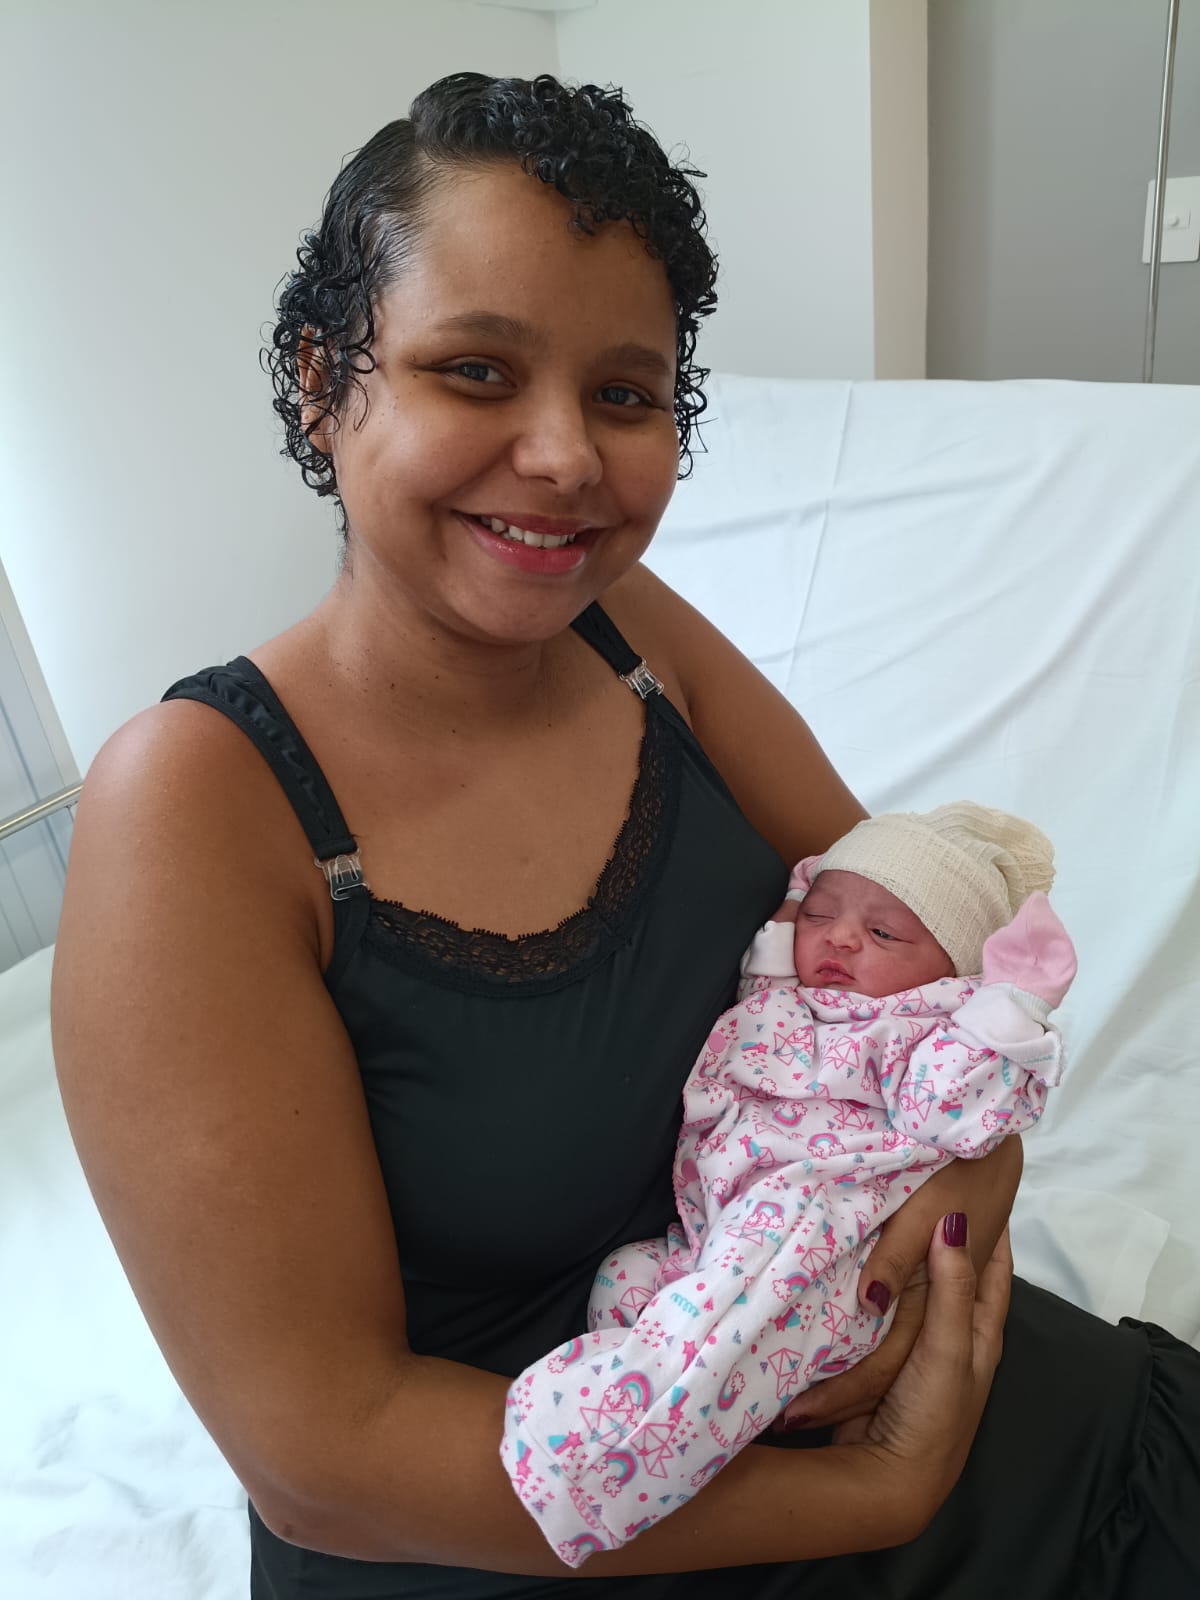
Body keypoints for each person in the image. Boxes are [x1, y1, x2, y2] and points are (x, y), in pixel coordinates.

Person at [50, 71, 1198, 1600]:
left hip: (863, 1358)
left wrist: (963, 1189)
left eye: (624, 394)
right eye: (475, 371)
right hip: (529, 1524)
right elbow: (325, 1459)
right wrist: (874, 1491)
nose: (564, 458)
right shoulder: (199, 803)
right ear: (326, 381)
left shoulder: (628, 632)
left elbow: (922, 955)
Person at [503, 803, 1078, 1563]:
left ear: (954, 969)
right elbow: (762, 988)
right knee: (628, 1275)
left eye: (883, 934)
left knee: (764, 1248)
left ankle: (624, 1452)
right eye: (821, 914)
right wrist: (787, 926)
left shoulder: (923, 1025)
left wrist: (1007, 1012)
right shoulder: (789, 1001)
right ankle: (678, 1403)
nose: (839, 937)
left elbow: (951, 1112)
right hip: (714, 1235)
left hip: (825, 1244)